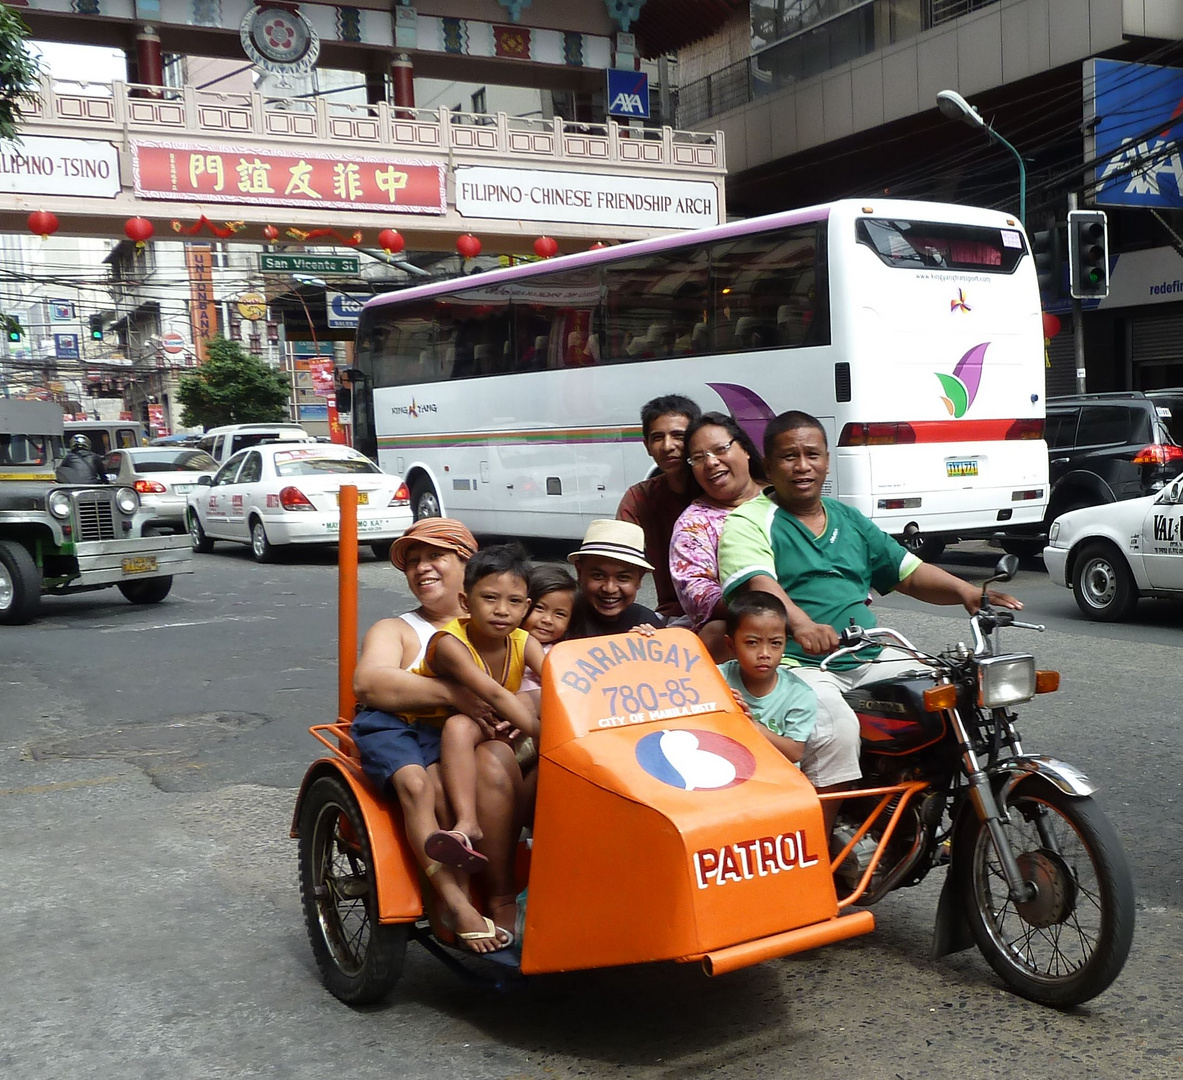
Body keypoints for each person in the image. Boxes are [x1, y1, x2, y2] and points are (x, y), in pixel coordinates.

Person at [717, 409, 1021, 833]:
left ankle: (917, 810)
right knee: (835, 727)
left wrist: (967, 592)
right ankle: (818, 854)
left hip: (868, 654)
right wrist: (801, 624)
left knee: (950, 696)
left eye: (812, 455)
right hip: (795, 666)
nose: (802, 466)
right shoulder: (749, 521)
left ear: (827, 461)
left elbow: (908, 571)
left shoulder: (849, 520)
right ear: (768, 466)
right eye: (789, 457)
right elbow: (757, 584)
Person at [351, 518, 525, 953]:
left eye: (436, 556)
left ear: (467, 563)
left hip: (496, 747)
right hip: (423, 741)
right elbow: (370, 683)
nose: (422, 568)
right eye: (413, 561)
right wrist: (455, 693)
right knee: (441, 785)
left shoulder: (502, 616)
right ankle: (460, 902)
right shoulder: (398, 629)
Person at [424, 545, 544, 887]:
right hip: (433, 729)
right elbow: (492, 693)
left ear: (526, 608)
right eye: (490, 598)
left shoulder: (523, 641)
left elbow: (560, 679)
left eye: (514, 602)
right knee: (458, 726)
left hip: (489, 724)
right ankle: (467, 821)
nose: (501, 611)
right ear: (465, 603)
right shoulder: (449, 642)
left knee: (541, 696)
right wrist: (542, 732)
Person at [669, 412, 767, 660]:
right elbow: (699, 594)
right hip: (749, 625)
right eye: (698, 458)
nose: (711, 462)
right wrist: (768, 603)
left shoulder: (784, 497)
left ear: (744, 448)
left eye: (720, 449)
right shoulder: (693, 523)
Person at [616, 394, 701, 622]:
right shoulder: (640, 497)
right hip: (670, 616)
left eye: (678, 436)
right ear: (646, 446)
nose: (667, 446)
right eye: (657, 437)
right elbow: (617, 557)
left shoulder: (718, 491)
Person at [718, 592, 816, 767]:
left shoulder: (799, 694)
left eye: (775, 643)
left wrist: (753, 726)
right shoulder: (716, 679)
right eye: (752, 643)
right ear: (730, 645)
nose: (765, 653)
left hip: (776, 780)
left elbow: (795, 752)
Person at [566, 519, 662, 639]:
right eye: (598, 576)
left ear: (639, 578)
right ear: (579, 572)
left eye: (623, 577)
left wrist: (654, 643)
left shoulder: (645, 619)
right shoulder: (563, 618)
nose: (609, 588)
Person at [518, 564, 578, 696]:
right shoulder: (505, 643)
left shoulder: (562, 655)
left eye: (560, 614)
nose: (547, 620)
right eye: (539, 608)